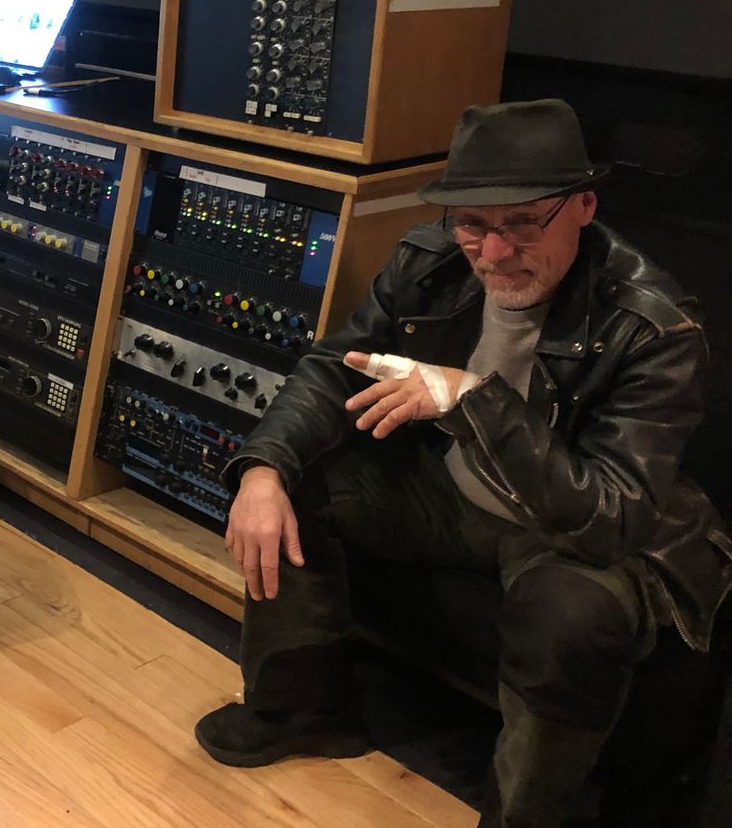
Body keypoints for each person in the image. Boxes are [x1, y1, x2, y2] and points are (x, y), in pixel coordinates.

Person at [193, 99, 730, 827]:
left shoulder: (655, 327)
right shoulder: (430, 261)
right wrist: (263, 469)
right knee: (298, 482)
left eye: (523, 222)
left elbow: (609, 518)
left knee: (571, 620)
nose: (494, 252)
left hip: (565, 528)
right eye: (472, 223)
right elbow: (334, 366)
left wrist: (472, 400)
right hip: (450, 495)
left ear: (584, 206)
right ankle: (302, 711)